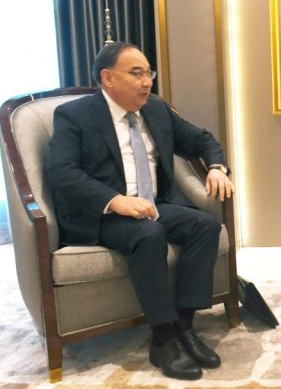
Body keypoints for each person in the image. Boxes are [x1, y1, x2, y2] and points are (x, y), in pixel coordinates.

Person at [45, 42, 235, 381]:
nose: (147, 82)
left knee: (205, 226)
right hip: (103, 215)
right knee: (150, 234)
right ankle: (162, 339)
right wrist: (114, 200)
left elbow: (202, 139)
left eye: (149, 73)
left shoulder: (156, 109)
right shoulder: (75, 115)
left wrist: (217, 168)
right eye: (136, 73)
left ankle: (183, 325)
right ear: (108, 78)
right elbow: (61, 172)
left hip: (154, 204)